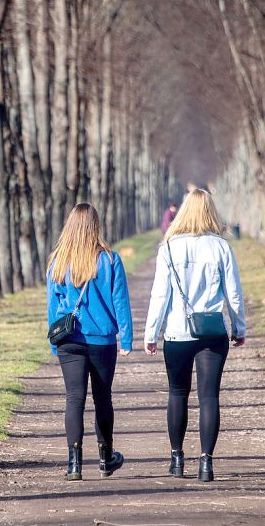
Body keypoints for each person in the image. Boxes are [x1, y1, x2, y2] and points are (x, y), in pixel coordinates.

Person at [144, 189, 246, 482]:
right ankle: (206, 462)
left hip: (177, 333)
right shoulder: (221, 247)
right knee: (209, 396)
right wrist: (239, 328)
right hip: (212, 332)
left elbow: (160, 294)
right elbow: (234, 294)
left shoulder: (169, 247)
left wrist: (151, 332)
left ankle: (177, 459)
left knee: (177, 393)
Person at [47, 203, 133, 481]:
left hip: (68, 340)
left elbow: (52, 305)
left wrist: (52, 341)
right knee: (102, 398)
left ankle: (74, 463)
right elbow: (120, 302)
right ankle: (106, 458)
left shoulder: (58, 261)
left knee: (74, 399)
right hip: (102, 340)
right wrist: (127, 337)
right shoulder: (109, 260)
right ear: (96, 225)